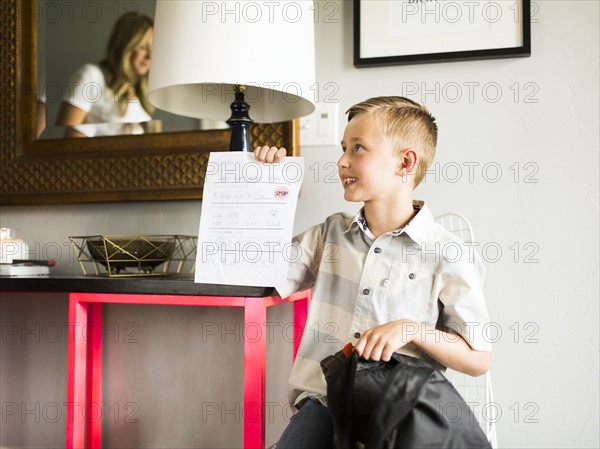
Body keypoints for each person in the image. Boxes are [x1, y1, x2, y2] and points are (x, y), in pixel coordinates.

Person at [254, 96, 492, 449]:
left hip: (399, 414)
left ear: (405, 162)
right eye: (343, 148)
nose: (342, 161)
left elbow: (477, 359)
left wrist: (410, 330)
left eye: (358, 148)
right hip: (323, 405)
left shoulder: (448, 254)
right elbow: (255, 273)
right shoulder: (329, 235)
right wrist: (267, 194)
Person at [55, 11, 155, 137]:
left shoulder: (137, 89)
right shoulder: (91, 75)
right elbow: (64, 145)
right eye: (142, 47)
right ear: (126, 44)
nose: (149, 56)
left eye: (153, 48)